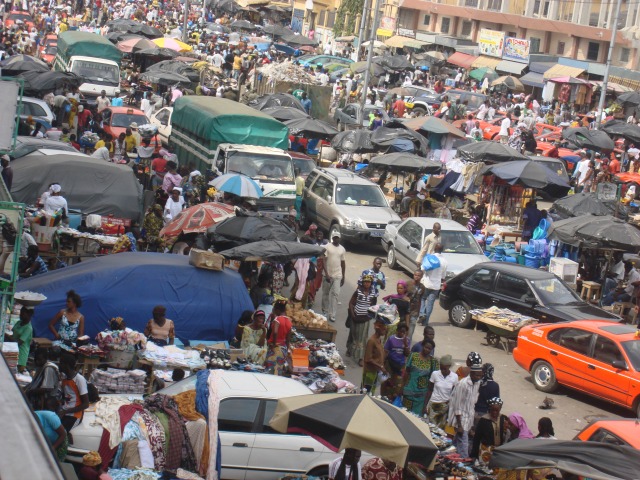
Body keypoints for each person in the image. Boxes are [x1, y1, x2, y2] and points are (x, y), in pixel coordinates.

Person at [447, 363, 483, 458]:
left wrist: (471, 425)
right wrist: (459, 425)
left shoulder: (477, 383)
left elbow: (472, 405)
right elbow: (457, 405)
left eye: (480, 375)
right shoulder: (463, 384)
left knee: (455, 445)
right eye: (477, 375)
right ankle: (465, 466)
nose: (479, 377)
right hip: (460, 420)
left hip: (468, 420)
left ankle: (445, 455)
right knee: (464, 448)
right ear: (471, 374)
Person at [402, 338, 438, 415]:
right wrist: (401, 388)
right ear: (422, 346)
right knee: (404, 415)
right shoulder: (413, 356)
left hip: (421, 398)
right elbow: (406, 372)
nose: (427, 350)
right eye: (426, 347)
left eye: (429, 349)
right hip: (408, 393)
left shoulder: (433, 362)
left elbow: (431, 384)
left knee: (416, 419)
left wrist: (425, 404)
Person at [347, 274, 376, 366]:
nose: (367, 284)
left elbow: (373, 306)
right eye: (365, 282)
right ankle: (349, 349)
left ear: (371, 283)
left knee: (363, 338)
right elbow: (351, 303)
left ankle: (360, 358)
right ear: (363, 283)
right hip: (356, 317)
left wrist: (371, 315)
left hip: (365, 318)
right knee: (353, 334)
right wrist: (352, 315)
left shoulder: (373, 293)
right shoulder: (358, 292)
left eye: (369, 282)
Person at [424, 354, 458, 428]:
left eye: (444, 369)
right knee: (431, 427)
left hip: (445, 406)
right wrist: (425, 406)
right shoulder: (435, 374)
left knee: (441, 429)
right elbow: (429, 390)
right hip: (433, 404)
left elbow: (454, 393)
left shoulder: (454, 377)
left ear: (449, 366)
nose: (442, 371)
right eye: (441, 368)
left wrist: (449, 404)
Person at [471, 397, 508, 464]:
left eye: (497, 411)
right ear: (489, 409)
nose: (494, 413)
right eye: (492, 410)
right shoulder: (484, 420)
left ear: (500, 409)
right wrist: (474, 454)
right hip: (485, 450)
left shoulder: (502, 418)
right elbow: (477, 438)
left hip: (498, 450)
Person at [59, 355, 90, 433]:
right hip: (65, 412)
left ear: (66, 365)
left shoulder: (79, 379)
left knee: (61, 433)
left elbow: (86, 404)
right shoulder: (64, 379)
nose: (59, 365)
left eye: (61, 363)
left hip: (75, 415)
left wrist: (65, 411)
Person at [322, 231, 346, 323]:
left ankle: (332, 314)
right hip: (328, 275)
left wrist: (343, 276)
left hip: (337, 275)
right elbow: (324, 260)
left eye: (338, 237)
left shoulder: (342, 249)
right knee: (325, 294)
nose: (336, 239)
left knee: (335, 294)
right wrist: (326, 274)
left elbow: (343, 263)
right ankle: (325, 311)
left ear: (340, 238)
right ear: (332, 238)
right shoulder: (327, 247)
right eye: (335, 237)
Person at [420, 243, 448, 325]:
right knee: (430, 304)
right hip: (436, 286)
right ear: (442, 250)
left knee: (422, 298)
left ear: (434, 249)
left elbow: (422, 269)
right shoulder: (445, 261)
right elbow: (443, 276)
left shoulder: (429, 258)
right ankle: (426, 322)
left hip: (426, 283)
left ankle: (422, 313)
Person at [265, 299, 293, 376]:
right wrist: (287, 349)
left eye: (274, 310)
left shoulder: (277, 319)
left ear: (277, 310)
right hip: (283, 348)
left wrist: (274, 343)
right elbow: (288, 338)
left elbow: (275, 332)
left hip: (275, 347)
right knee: (278, 368)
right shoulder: (289, 321)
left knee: (270, 369)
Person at [382, 322, 410, 398]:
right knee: (387, 383)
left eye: (404, 332)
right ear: (397, 330)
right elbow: (385, 351)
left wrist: (405, 345)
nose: (402, 333)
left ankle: (393, 399)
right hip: (390, 364)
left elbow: (407, 354)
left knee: (398, 385)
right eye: (401, 331)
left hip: (400, 365)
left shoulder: (407, 340)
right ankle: (385, 397)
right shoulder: (391, 339)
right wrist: (382, 365)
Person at [362, 319, 388, 394]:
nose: (385, 331)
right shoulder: (371, 341)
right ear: (378, 328)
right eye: (383, 329)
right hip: (370, 372)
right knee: (366, 393)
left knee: (371, 393)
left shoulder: (379, 340)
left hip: (375, 372)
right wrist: (381, 366)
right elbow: (367, 359)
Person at [5, 305, 34, 372]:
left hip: (21, 355)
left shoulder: (28, 328)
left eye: (22, 313)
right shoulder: (18, 323)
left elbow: (19, 342)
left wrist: (7, 336)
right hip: (12, 351)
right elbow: (12, 334)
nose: (20, 315)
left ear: (28, 315)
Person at [407, 270, 425, 341]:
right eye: (415, 275)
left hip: (414, 312)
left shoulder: (422, 287)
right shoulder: (407, 284)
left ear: (421, 277)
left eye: (419, 275)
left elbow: (420, 299)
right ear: (413, 275)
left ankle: (408, 346)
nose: (417, 277)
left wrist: (418, 312)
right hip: (406, 310)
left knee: (410, 332)